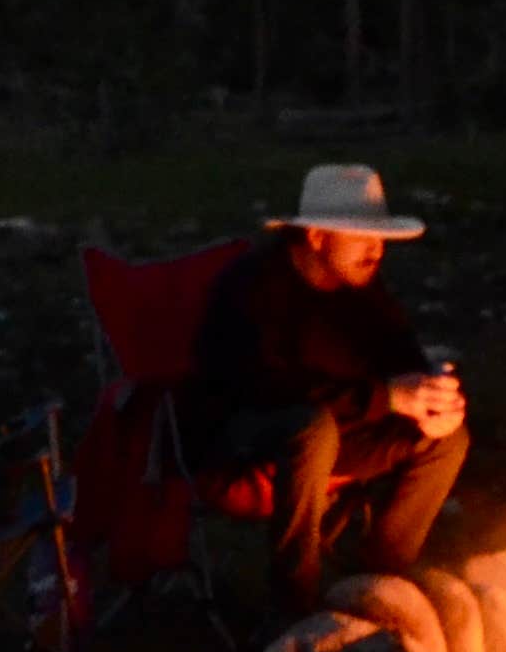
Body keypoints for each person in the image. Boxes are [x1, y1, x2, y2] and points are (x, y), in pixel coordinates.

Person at [178, 162, 467, 626]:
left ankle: (375, 588)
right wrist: (387, 398)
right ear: (316, 237)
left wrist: (437, 400)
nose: (376, 249)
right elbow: (268, 388)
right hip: (239, 440)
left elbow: (404, 363)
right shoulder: (255, 288)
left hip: (334, 433)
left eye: (380, 238)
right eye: (361, 235)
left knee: (448, 439)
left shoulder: (361, 289)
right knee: (312, 427)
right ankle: (296, 610)